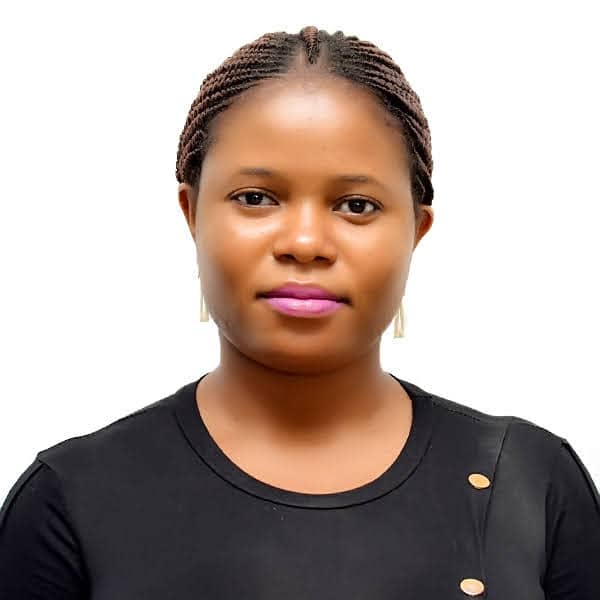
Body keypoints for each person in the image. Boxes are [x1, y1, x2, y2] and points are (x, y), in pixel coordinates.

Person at [1, 25, 599, 599]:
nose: (306, 243)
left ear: (416, 230)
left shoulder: (532, 481)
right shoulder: (69, 499)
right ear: (193, 214)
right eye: (256, 198)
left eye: (356, 205)